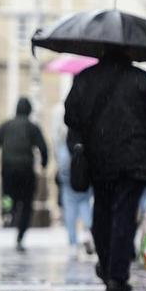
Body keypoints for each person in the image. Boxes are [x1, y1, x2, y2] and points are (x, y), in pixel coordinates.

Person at [65, 48, 146, 291]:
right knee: (125, 213)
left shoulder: (84, 78)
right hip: (134, 159)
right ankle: (117, 273)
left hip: (98, 158)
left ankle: (107, 262)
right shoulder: (142, 80)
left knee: (101, 210)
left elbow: (71, 118)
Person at [0, 98, 48, 252]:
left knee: (7, 194)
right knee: (26, 202)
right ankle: (21, 232)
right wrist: (43, 164)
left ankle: (8, 212)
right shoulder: (33, 127)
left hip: (8, 169)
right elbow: (43, 148)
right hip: (26, 169)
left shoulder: (5, 126)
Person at [52, 102, 93, 256]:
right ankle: (90, 231)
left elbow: (55, 141)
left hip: (66, 167)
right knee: (84, 202)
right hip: (82, 166)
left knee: (70, 205)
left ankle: (73, 242)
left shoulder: (59, 113)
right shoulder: (85, 114)